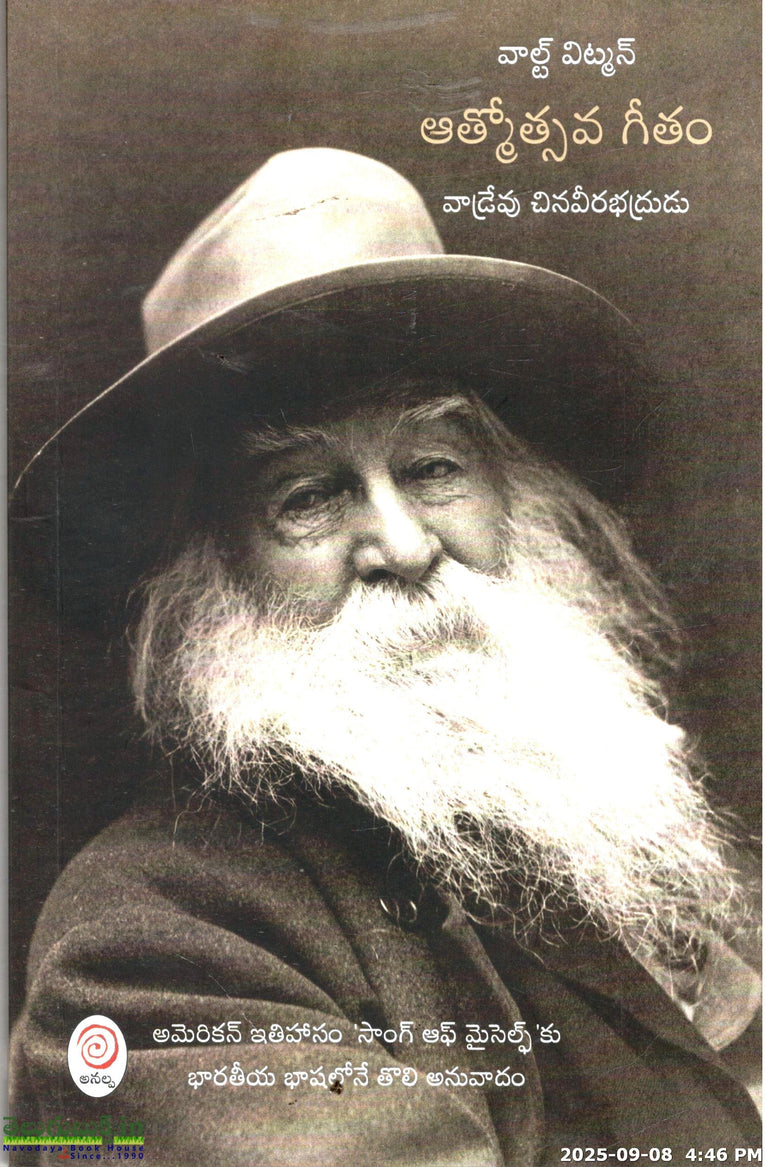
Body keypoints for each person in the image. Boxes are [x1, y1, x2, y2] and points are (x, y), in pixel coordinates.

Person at [10, 148, 761, 1165]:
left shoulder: (615, 853)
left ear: (515, 498)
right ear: (209, 574)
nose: (404, 547)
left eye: (433, 467)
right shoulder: (150, 936)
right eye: (309, 497)